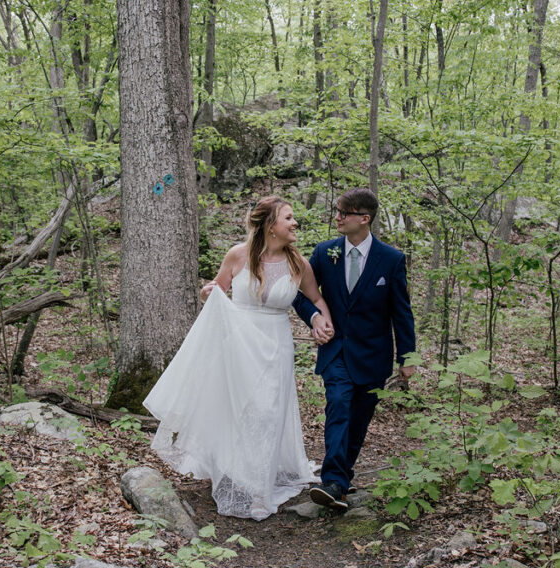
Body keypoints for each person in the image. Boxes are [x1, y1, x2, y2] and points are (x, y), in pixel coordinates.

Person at [143, 196, 333, 521]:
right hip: (237, 342)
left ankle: (259, 488)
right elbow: (218, 288)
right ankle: (230, 467)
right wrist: (209, 292)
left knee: (268, 412)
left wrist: (321, 320)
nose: (295, 223)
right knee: (237, 408)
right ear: (271, 225)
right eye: (288, 218)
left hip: (275, 345)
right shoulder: (238, 255)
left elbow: (315, 298)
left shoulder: (299, 263)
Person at [293, 188, 416, 510]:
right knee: (338, 406)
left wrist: (408, 358)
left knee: (359, 420)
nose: (337, 217)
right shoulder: (324, 252)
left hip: (374, 356)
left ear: (364, 218)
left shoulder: (391, 260)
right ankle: (331, 480)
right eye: (337, 211)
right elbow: (300, 295)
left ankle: (340, 483)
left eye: (344, 213)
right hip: (335, 351)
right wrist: (315, 318)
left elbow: (401, 312)